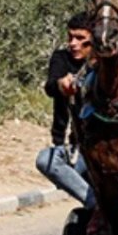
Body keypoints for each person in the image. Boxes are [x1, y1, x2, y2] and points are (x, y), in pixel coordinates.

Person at [36, 13, 95, 208]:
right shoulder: (61, 58)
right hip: (77, 148)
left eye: (80, 39)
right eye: (70, 37)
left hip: (103, 146)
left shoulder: (104, 64)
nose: (73, 43)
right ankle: (96, 205)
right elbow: (51, 87)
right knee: (46, 161)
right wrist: (62, 84)